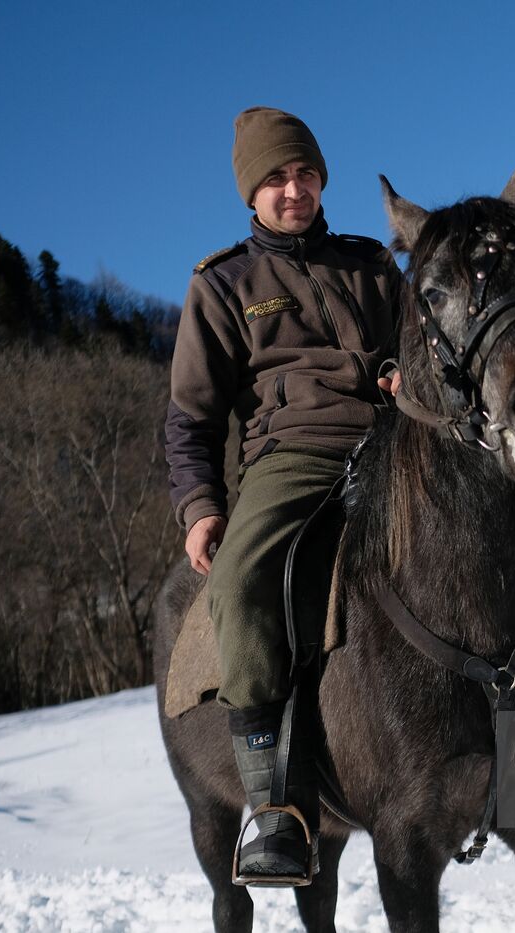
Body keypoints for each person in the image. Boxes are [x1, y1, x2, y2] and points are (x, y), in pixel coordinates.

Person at [165, 107, 401, 883]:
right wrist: (201, 508)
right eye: (275, 179)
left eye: (303, 173)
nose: (293, 190)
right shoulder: (224, 284)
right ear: (250, 194)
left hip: (398, 438)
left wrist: (408, 375)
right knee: (239, 585)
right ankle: (276, 807)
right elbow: (191, 417)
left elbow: (422, 349)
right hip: (291, 457)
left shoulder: (372, 264)